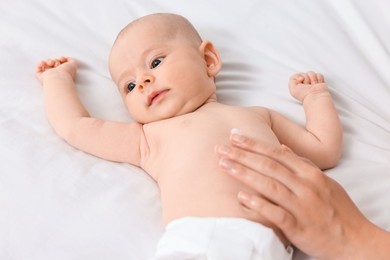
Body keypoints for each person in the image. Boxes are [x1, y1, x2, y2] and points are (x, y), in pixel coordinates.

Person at [36, 13, 342, 259]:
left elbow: (324, 150)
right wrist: (57, 81)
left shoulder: (260, 116)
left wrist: (315, 98)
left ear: (208, 60)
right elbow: (75, 126)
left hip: (273, 247)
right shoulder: (149, 137)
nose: (142, 81)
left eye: (155, 62)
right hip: (198, 241)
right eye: (129, 86)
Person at [216, 130, 390, 259]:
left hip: (256, 244)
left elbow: (324, 150)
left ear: (212, 77)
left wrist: (315, 96)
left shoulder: (256, 114)